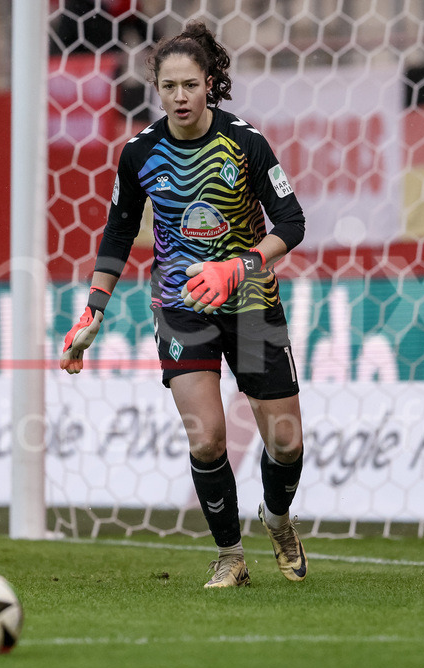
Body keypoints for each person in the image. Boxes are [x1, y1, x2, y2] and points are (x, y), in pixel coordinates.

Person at [60, 21, 308, 588]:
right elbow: (117, 235)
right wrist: (93, 310)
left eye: (190, 85)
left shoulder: (247, 143)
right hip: (180, 305)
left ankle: (278, 517)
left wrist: (236, 266)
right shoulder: (140, 153)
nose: (179, 97)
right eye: (168, 86)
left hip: (250, 301)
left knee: (287, 441)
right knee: (207, 436)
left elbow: (291, 224)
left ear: (211, 83)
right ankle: (230, 555)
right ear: (156, 87)